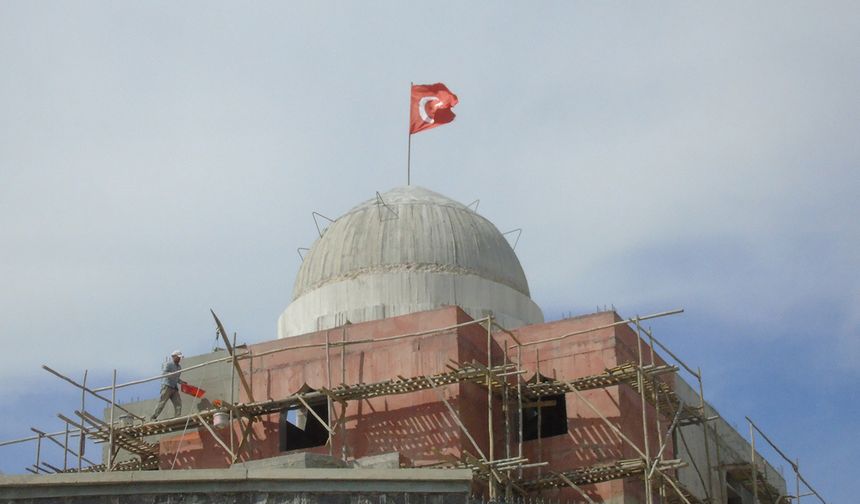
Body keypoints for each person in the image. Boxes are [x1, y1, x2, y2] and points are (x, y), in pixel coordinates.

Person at [150, 350, 185, 420]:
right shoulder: (168, 364)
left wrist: (181, 382)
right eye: (178, 357)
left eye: (180, 358)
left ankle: (177, 417)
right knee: (162, 402)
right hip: (167, 386)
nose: (179, 359)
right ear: (173, 357)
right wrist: (171, 374)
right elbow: (164, 373)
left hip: (174, 388)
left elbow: (177, 378)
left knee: (178, 403)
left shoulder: (179, 367)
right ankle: (153, 417)